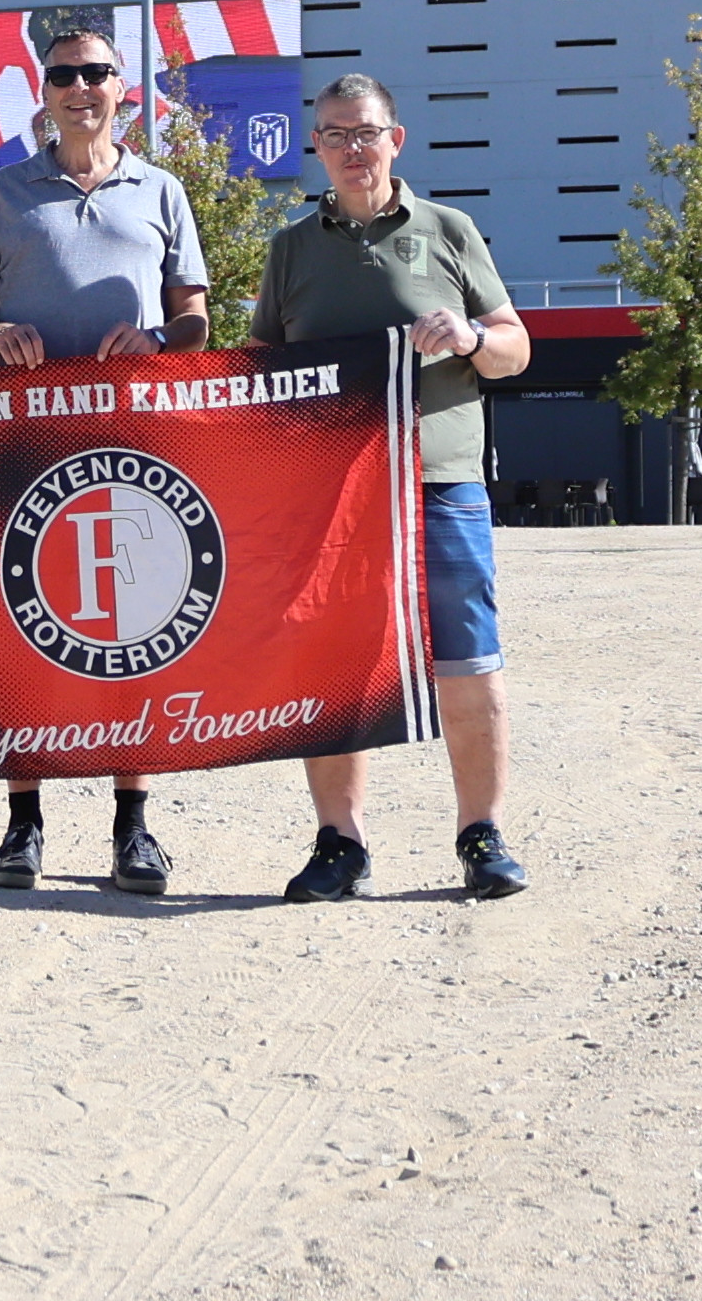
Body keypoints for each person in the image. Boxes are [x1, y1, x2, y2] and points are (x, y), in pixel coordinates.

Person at [247, 72, 534, 903]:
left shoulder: (450, 230)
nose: (350, 148)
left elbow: (516, 348)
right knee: (333, 664)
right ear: (319, 150)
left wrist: (475, 334)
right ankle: (341, 842)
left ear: (394, 140)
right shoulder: (290, 249)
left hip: (438, 483)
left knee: (468, 658)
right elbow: (262, 372)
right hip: (329, 493)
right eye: (333, 135)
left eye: (364, 132)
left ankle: (482, 835)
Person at [0, 23, 211, 894]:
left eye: (95, 72)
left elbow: (197, 322)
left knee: (131, 630)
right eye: (63, 74)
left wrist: (159, 340)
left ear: (120, 85)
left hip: (132, 444)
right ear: (45, 90)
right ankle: (23, 825)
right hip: (24, 442)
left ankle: (133, 827)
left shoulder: (161, 190)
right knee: (25, 627)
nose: (80, 87)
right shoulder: (4, 195)